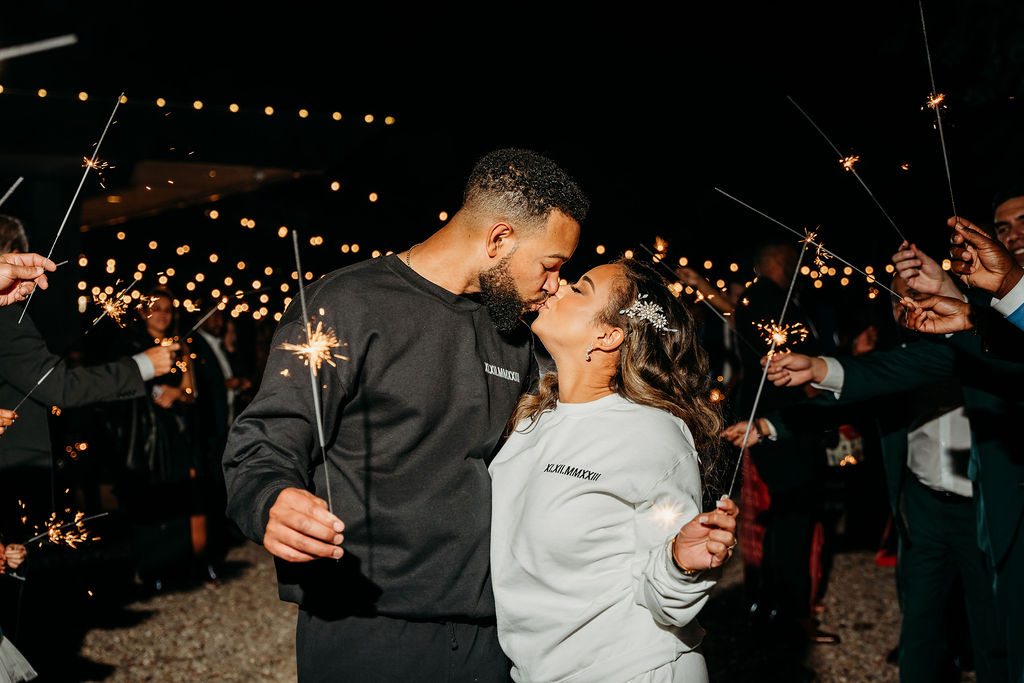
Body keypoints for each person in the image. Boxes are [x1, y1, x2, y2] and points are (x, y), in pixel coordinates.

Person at [223, 148, 587, 681]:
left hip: (492, 631)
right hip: (369, 624)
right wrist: (270, 498)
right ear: (499, 238)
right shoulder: (345, 304)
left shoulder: (512, 331)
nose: (554, 282)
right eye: (550, 264)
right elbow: (267, 435)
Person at [490, 258, 738, 682]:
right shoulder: (533, 418)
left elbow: (668, 604)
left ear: (609, 335)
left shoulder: (651, 434)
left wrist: (682, 564)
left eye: (580, 288)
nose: (559, 286)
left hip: (631, 670)